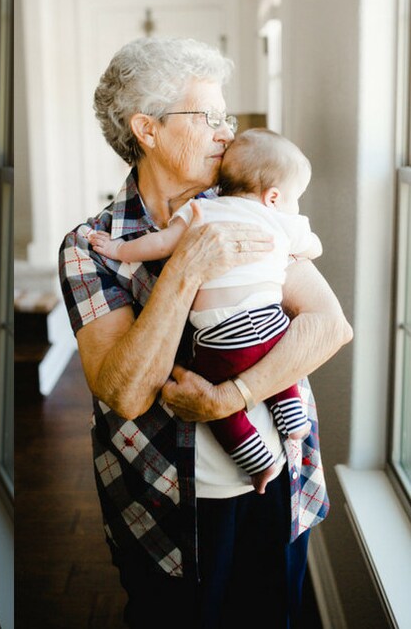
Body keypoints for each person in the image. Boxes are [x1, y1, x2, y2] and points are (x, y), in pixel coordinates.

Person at [58, 37, 352, 628]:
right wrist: (187, 264)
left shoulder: (251, 204)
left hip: (281, 483)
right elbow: (126, 392)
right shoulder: (92, 248)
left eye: (227, 117)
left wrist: (231, 397)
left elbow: (329, 325)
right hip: (162, 501)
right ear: (148, 129)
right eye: (209, 117)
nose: (227, 132)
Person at [88, 128, 321, 495]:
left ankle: (259, 463)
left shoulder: (200, 210)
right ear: (273, 196)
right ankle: (294, 420)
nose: (224, 130)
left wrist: (117, 250)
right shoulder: (279, 218)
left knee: (214, 402)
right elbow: (311, 247)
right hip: (271, 326)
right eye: (209, 117)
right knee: (280, 359)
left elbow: (157, 244)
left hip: (221, 339)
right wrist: (296, 243)